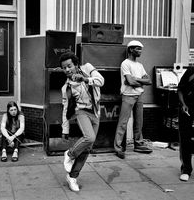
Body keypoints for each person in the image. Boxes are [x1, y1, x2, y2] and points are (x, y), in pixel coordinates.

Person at [60, 52, 104, 192]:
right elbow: (66, 109)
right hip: (81, 112)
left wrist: (85, 79)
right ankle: (70, 154)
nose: (67, 70)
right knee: (89, 137)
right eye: (64, 68)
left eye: (69, 66)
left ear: (76, 64)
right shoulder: (66, 87)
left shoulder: (88, 67)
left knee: (87, 148)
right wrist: (65, 129)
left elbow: (101, 81)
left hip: (95, 112)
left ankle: (72, 177)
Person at [114, 40, 153, 159]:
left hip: (139, 95)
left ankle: (138, 144)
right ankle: (118, 147)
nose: (140, 51)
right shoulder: (125, 63)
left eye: (141, 49)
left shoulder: (140, 65)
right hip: (128, 95)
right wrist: (140, 82)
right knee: (123, 123)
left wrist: (136, 80)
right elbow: (129, 82)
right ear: (131, 49)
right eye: (138, 49)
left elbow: (149, 81)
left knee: (139, 122)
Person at [177, 66, 194, 181]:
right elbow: (180, 89)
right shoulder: (190, 71)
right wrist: (183, 104)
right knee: (185, 137)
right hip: (187, 107)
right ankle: (186, 169)